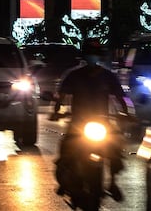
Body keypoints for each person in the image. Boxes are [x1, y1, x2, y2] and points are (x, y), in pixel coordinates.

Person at [52, 38, 129, 202]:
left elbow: (121, 97)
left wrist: (127, 113)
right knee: (66, 148)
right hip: (78, 123)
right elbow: (61, 96)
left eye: (95, 54)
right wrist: (56, 110)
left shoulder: (109, 76)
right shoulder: (73, 76)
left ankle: (113, 182)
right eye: (89, 53)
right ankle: (64, 179)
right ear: (84, 56)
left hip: (102, 122)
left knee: (116, 149)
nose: (92, 57)